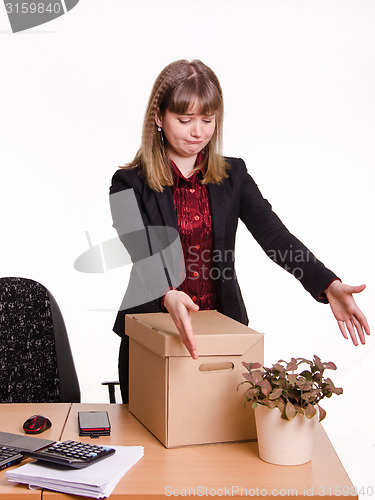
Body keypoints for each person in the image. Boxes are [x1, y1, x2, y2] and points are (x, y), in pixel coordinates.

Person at [110, 59, 370, 402]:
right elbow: (140, 248)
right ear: (158, 117)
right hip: (153, 331)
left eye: (207, 120)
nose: (197, 132)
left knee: (223, 443)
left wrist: (326, 283)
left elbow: (274, 236)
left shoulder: (234, 176)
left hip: (223, 330)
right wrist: (167, 292)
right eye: (185, 119)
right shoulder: (127, 183)